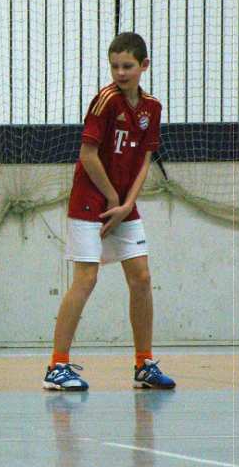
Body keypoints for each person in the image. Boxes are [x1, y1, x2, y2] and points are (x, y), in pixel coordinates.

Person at [43, 32, 175, 391]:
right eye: (114, 66)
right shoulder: (105, 102)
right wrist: (113, 198)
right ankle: (56, 366)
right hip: (91, 200)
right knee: (86, 278)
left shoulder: (152, 107)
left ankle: (144, 363)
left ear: (144, 66)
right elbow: (87, 155)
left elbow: (145, 159)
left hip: (122, 204)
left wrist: (127, 204)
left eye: (127, 66)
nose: (120, 73)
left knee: (141, 277)